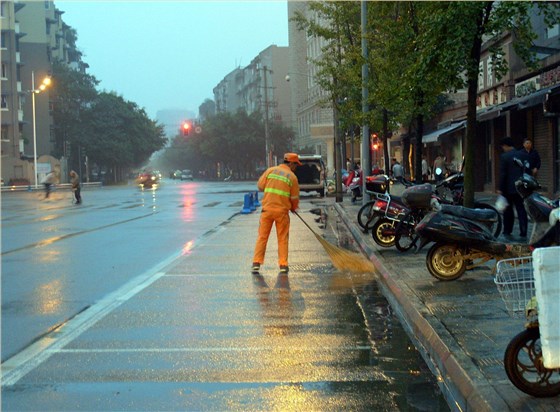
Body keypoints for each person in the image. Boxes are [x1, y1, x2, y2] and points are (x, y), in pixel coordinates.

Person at [252, 153, 301, 274]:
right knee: (282, 238)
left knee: (262, 237)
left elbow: (260, 186)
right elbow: (294, 197)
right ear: (290, 163)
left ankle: (256, 263)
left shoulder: (270, 171)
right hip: (282, 213)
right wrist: (293, 208)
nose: (296, 167)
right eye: (296, 164)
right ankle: (283, 265)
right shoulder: (292, 177)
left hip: (267, 211)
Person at [498, 137, 530, 239]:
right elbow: (527, 170)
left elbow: (503, 174)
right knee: (521, 209)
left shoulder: (504, 157)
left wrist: (501, 188)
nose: (503, 149)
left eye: (503, 147)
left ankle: (507, 230)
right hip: (520, 187)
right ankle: (523, 231)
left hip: (508, 188)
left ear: (506, 146)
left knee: (508, 210)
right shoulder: (522, 154)